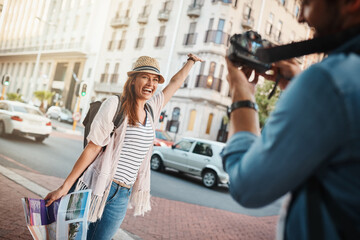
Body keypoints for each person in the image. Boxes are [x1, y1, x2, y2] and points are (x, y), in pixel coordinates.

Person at [222, 0, 360, 239]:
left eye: (307, 3)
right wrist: (301, 86)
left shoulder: (329, 80)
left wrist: (241, 96)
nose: (301, 19)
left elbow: (248, 187)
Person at [44, 53, 202, 239]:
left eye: (154, 79)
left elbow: (175, 83)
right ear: (133, 80)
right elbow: (92, 148)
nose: (150, 83)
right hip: (97, 186)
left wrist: (191, 62)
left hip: (122, 195)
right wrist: (64, 187)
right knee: (69, 236)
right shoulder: (115, 104)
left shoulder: (152, 109)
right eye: (145, 77)